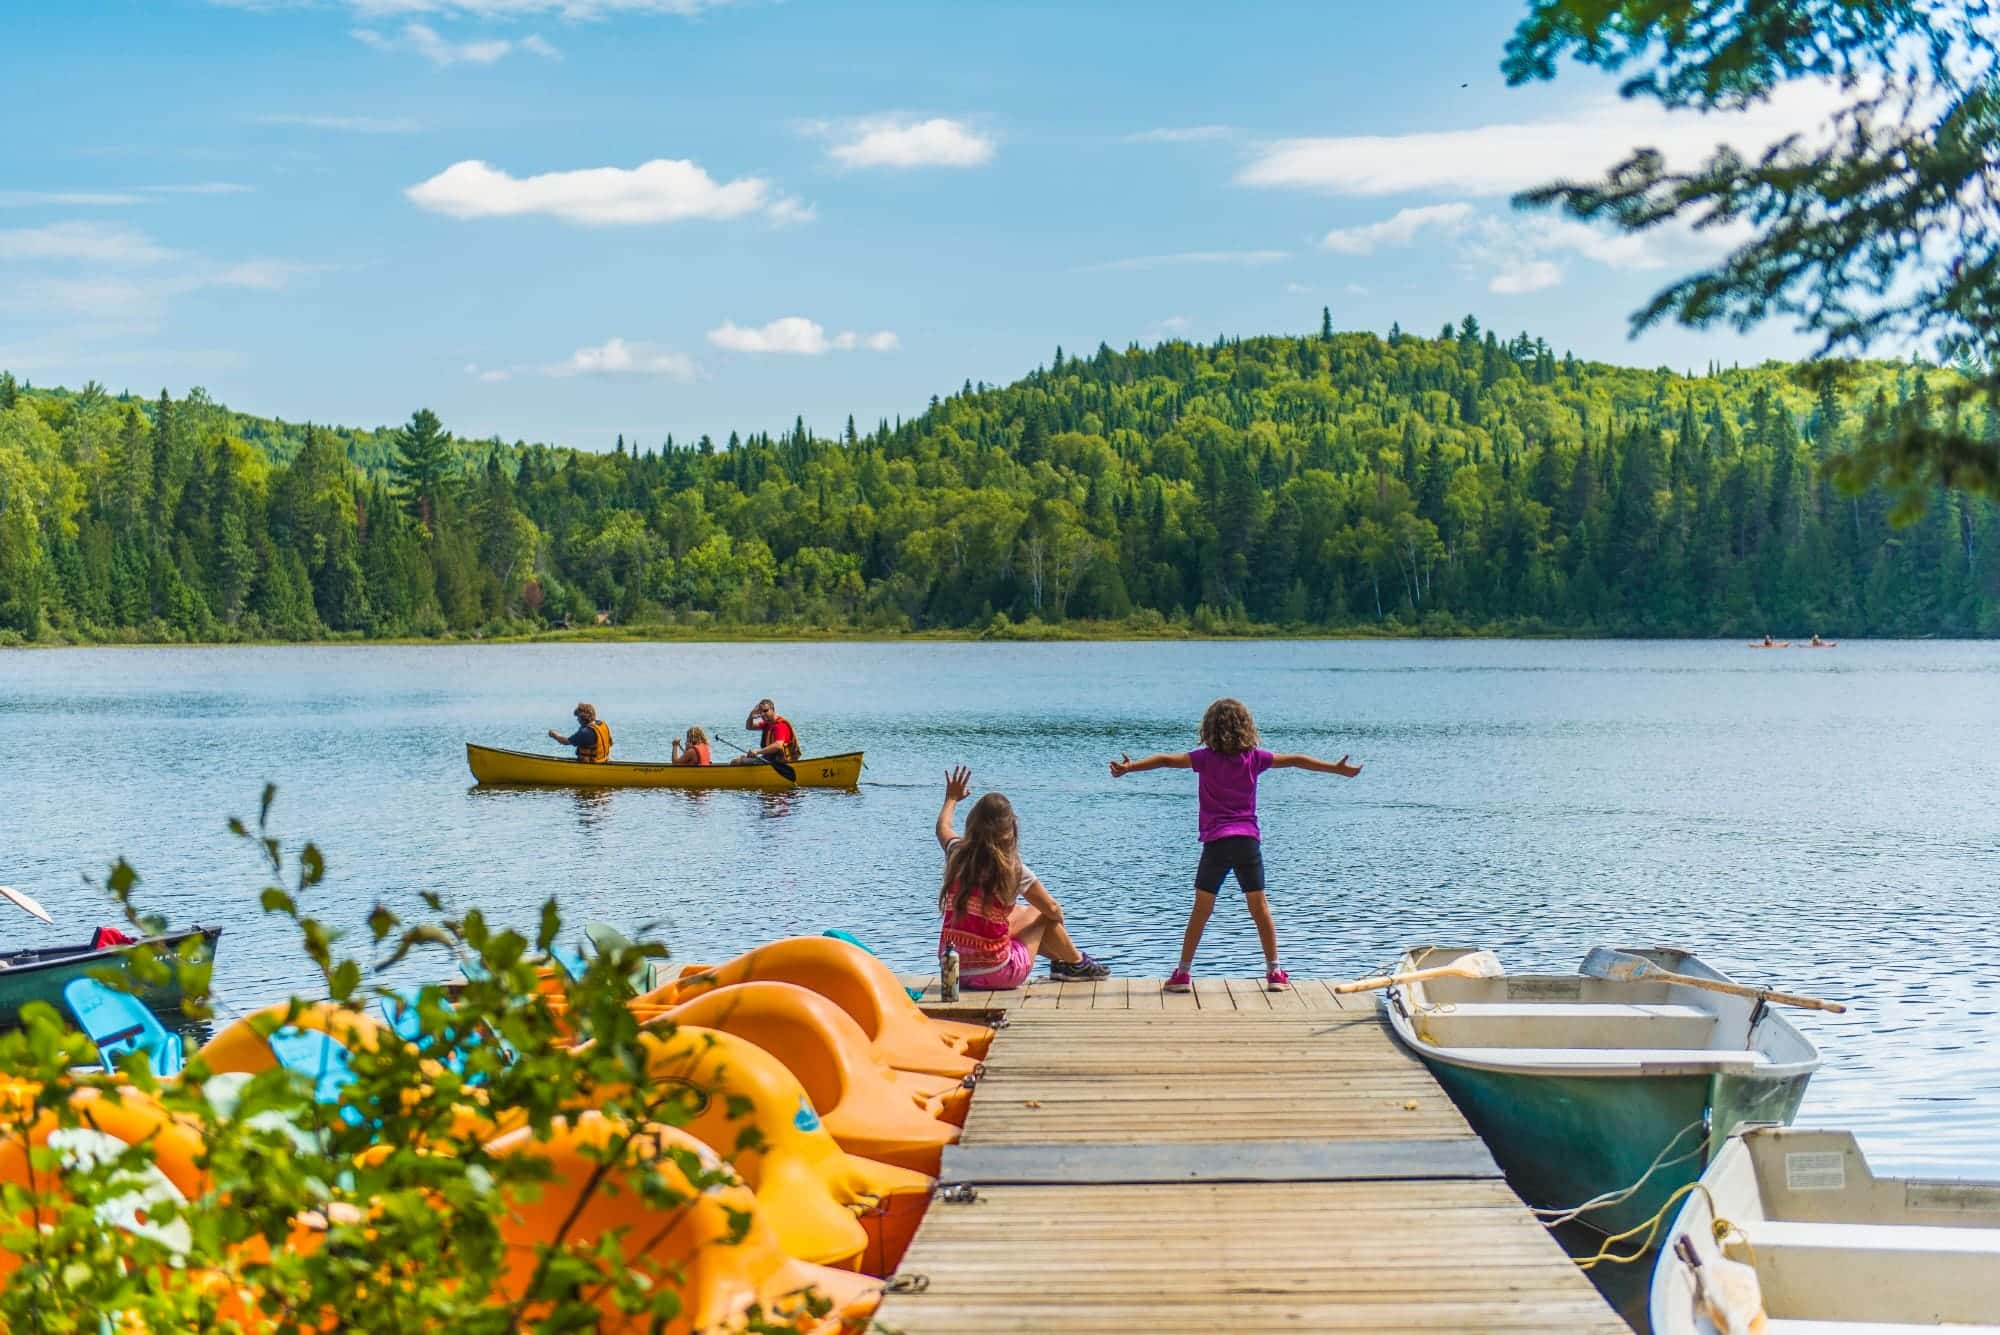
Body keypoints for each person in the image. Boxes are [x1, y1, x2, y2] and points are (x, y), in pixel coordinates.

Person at [1110, 698, 1361, 993]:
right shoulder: (1255, 758)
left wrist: (1131, 768)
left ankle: (1182, 974)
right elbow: (1296, 760)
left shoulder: (1204, 759)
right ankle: (1275, 973)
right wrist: (1336, 769)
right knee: (1260, 907)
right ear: (1246, 727)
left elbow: (1166, 759)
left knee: (1202, 908)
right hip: (1246, 841)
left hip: (1217, 843)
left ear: (1208, 729)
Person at [936, 765, 1109, 987]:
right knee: (1041, 913)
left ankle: (1067, 962)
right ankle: (1075, 962)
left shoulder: (956, 852)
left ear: (972, 824)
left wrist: (951, 798)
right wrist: (1058, 927)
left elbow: (942, 827)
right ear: (1010, 829)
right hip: (999, 973)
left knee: (1017, 912)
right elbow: (1052, 909)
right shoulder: (1013, 869)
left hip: (954, 969)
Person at [734, 698, 802, 765]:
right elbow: (749, 727)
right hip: (769, 759)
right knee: (739, 759)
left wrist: (757, 751)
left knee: (736, 762)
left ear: (773, 710)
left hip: (781, 761)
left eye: (765, 711)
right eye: (760, 712)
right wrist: (751, 715)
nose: (763, 714)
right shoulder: (767, 724)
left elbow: (778, 745)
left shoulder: (780, 725)